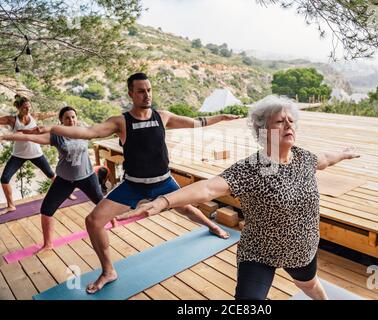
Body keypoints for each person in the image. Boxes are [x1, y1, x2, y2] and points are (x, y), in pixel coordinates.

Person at [134, 95, 360, 300]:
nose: (289, 125)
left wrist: (343, 154)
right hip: (259, 250)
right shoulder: (252, 168)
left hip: (301, 248)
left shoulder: (304, 158)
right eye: (280, 122)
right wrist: (164, 201)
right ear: (264, 131)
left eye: (291, 120)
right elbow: (208, 189)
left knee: (309, 285)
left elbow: (326, 159)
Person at [49, 72, 239, 294]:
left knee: (185, 208)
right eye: (140, 91)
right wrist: (53, 129)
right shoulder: (120, 121)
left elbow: (197, 122)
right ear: (131, 94)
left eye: (149, 90)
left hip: (164, 182)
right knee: (93, 221)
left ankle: (212, 225)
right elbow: (89, 132)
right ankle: (108, 271)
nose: (146, 95)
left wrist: (222, 117)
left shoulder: (162, 116)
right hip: (133, 186)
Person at [0, 106, 116, 251]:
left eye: (73, 117)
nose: (71, 120)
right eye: (67, 117)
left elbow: (105, 129)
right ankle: (48, 244)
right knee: (46, 210)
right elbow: (28, 137)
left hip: (86, 176)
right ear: (61, 120)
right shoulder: (56, 136)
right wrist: (4, 137)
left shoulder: (84, 131)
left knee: (101, 202)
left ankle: (115, 222)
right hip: (64, 179)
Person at [0, 95, 59, 214]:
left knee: (51, 174)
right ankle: (11, 205)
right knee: (4, 179)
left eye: (29, 107)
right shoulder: (12, 120)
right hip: (18, 154)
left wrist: (58, 113)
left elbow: (46, 114)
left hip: (35, 153)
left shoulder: (34, 116)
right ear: (19, 108)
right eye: (25, 108)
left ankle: (65, 194)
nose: (28, 110)